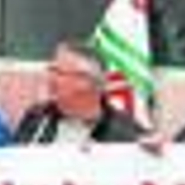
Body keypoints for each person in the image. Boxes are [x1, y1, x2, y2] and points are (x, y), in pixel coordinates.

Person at [14, 40, 144, 145]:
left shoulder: (126, 133)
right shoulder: (37, 116)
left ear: (85, 82)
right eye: (51, 70)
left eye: (58, 72)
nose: (50, 78)